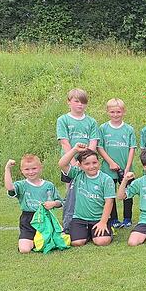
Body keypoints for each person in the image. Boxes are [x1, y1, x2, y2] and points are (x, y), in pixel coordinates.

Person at [56, 88, 99, 232]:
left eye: (83, 102)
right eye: (76, 101)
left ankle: (90, 219)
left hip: (87, 164)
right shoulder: (63, 120)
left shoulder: (91, 121)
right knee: (71, 193)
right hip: (70, 162)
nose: (80, 105)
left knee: (87, 191)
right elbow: (64, 142)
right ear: (69, 102)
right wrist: (75, 164)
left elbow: (93, 143)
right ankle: (69, 223)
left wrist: (86, 162)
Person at [58, 144, 115, 247]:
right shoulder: (77, 174)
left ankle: (106, 229)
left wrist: (103, 222)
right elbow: (62, 164)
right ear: (80, 165)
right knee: (77, 242)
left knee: (102, 242)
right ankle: (88, 233)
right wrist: (75, 150)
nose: (91, 166)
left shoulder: (106, 179)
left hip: (98, 218)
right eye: (87, 164)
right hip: (80, 218)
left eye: (94, 163)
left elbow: (109, 202)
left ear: (99, 163)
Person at [4, 156, 62, 253]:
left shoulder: (49, 185)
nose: (31, 172)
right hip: (28, 219)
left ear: (40, 168)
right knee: (24, 249)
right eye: (27, 169)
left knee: (55, 243)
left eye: (34, 168)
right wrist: (7, 168)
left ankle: (45, 239)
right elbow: (10, 188)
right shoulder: (21, 185)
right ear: (22, 170)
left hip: (46, 218)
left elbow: (60, 202)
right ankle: (33, 240)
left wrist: (54, 203)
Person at [97, 98, 136, 229]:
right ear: (108, 112)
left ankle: (127, 218)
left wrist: (128, 167)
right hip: (108, 168)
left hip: (125, 168)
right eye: (112, 112)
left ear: (123, 112)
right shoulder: (103, 128)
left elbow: (132, 148)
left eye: (118, 112)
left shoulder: (129, 129)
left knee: (127, 193)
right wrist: (111, 162)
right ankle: (113, 218)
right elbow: (100, 147)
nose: (115, 115)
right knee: (110, 194)